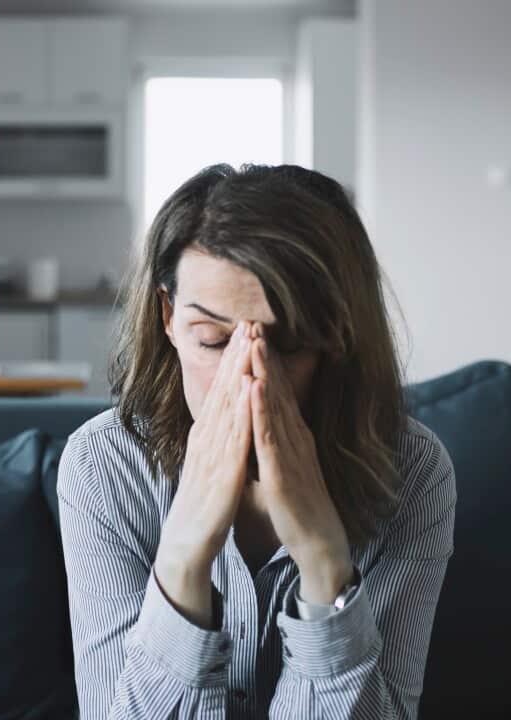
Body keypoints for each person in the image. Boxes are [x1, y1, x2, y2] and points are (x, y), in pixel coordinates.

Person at [57, 163, 456, 719]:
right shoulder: (104, 467)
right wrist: (183, 557)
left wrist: (323, 562)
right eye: (213, 340)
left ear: (340, 339)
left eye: (287, 345)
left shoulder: (413, 473)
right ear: (169, 318)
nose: (246, 380)